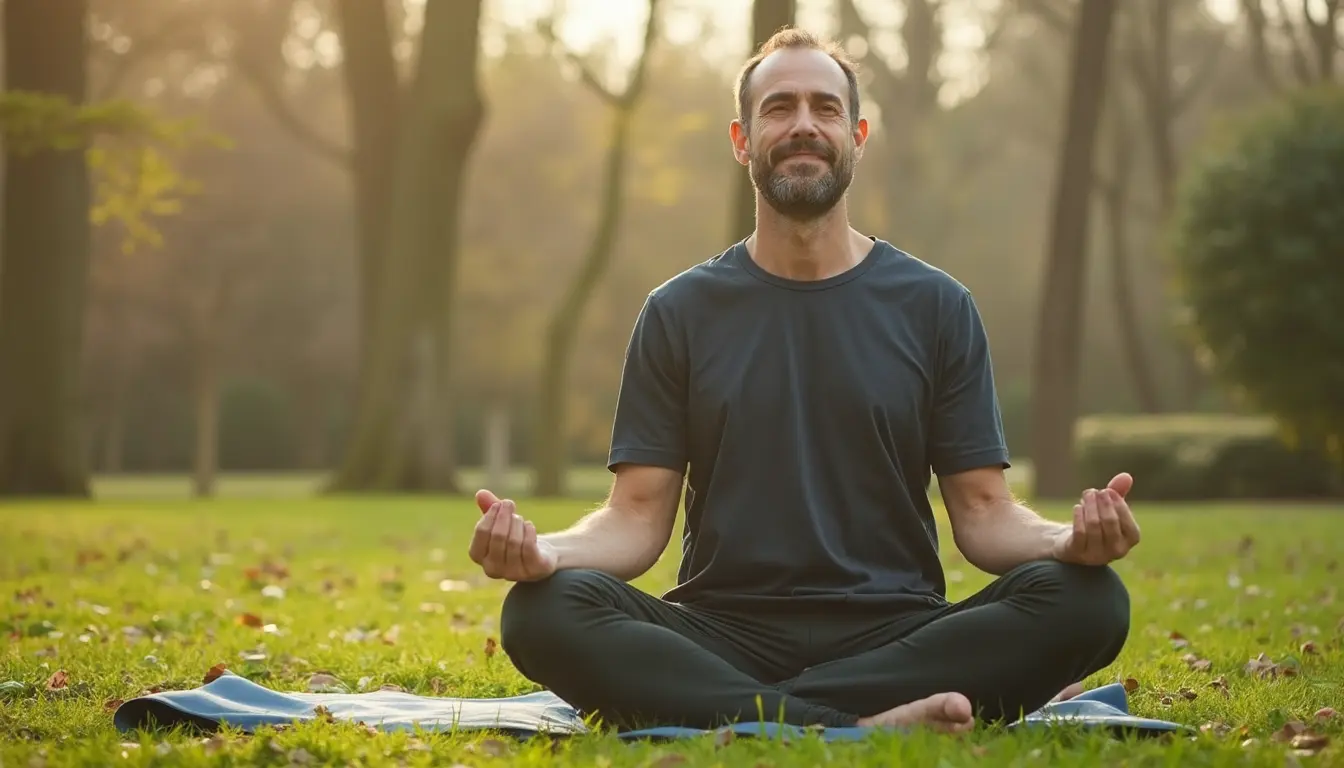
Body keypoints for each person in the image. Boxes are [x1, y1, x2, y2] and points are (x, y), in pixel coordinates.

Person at [467, 27, 1139, 734]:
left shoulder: (937, 306)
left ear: (857, 134)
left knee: (1090, 600)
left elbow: (983, 512)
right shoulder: (679, 312)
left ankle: (755, 715)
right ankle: (857, 725)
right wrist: (546, 554)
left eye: (824, 108)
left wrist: (1066, 543)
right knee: (542, 610)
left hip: (897, 634)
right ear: (741, 138)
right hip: (722, 634)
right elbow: (635, 519)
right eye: (779, 107)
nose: (803, 126)